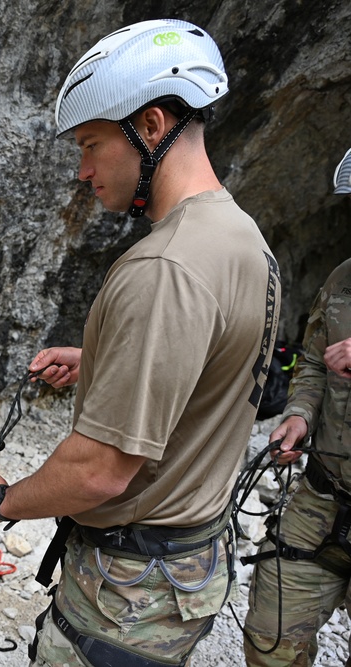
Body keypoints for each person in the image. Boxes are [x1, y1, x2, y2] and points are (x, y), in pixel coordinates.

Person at [0, 19, 281, 667]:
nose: (82, 170)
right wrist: (102, 365)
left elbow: (98, 471)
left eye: (91, 144)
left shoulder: (165, 267)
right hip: (187, 573)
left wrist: (0, 499)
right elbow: (215, 364)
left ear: (154, 126)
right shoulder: (242, 237)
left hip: (126, 597)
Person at [243, 146, 351, 666]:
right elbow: (311, 362)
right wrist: (299, 415)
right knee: (270, 634)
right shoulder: (342, 281)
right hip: (323, 498)